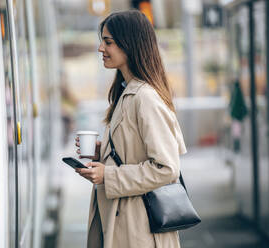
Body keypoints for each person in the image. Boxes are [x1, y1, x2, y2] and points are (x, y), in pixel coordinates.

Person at [74, 11, 187, 248]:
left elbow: (167, 168)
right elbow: (135, 151)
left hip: (140, 229)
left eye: (108, 42)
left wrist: (108, 175)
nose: (100, 48)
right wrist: (102, 152)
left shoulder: (144, 98)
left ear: (130, 44)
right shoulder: (127, 92)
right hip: (127, 221)